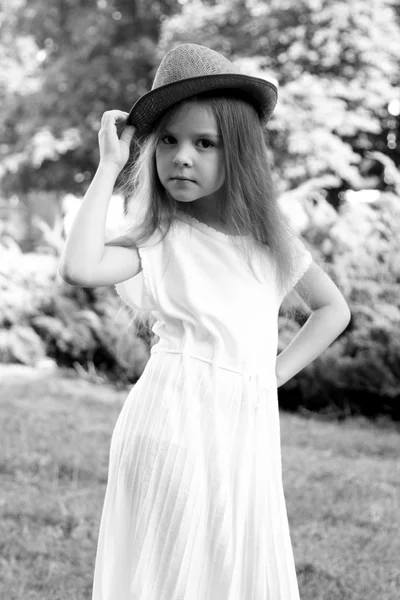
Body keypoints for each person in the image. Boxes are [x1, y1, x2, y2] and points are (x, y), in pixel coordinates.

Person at [59, 44, 351, 600]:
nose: (181, 157)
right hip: (170, 424)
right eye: (167, 140)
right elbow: (79, 266)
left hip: (244, 428)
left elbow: (333, 309)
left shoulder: (270, 243)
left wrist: (275, 372)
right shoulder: (159, 237)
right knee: (174, 571)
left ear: (236, 152)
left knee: (229, 561)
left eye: (204, 143)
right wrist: (107, 168)